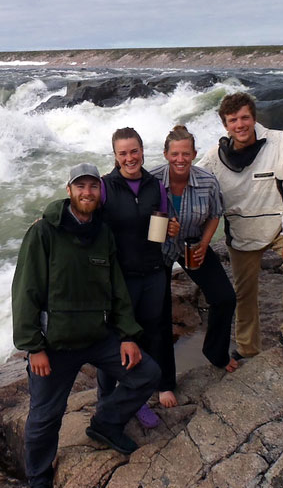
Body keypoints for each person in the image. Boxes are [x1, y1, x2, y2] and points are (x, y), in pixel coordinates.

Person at [12, 162, 161, 488]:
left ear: (99, 191)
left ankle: (106, 423)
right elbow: (25, 290)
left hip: (98, 337)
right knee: (44, 417)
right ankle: (38, 477)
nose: (87, 192)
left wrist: (127, 335)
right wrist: (33, 346)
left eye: (93, 186)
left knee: (147, 374)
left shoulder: (102, 233)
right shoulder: (44, 231)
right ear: (69, 191)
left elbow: (116, 288)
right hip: (55, 345)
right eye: (80, 186)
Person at [196, 92, 283, 364]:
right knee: (243, 293)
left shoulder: (281, 142)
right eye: (233, 120)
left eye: (245, 117)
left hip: (280, 228)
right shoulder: (214, 158)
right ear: (226, 125)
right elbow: (189, 181)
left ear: (254, 118)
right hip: (242, 232)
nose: (240, 125)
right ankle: (248, 347)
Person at [98, 127, 177, 418]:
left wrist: (172, 228)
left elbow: (166, 223)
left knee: (155, 330)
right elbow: (80, 214)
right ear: (115, 156)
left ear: (143, 151)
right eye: (123, 153)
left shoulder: (155, 186)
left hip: (154, 271)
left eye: (134, 151)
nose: (130, 158)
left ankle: (159, 385)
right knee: (118, 338)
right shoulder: (105, 187)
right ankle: (112, 399)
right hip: (120, 278)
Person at [151, 125, 239, 373]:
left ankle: (216, 352)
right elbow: (134, 211)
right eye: (175, 154)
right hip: (160, 249)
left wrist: (204, 243)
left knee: (225, 298)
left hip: (192, 244)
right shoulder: (152, 180)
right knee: (159, 312)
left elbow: (214, 215)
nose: (180, 160)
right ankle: (164, 379)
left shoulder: (206, 181)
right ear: (166, 154)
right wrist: (163, 226)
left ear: (194, 153)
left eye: (186, 154)